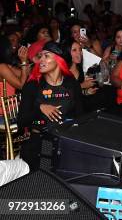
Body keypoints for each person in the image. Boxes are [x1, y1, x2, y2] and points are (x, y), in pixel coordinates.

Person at [17, 42, 83, 170]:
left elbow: (81, 115)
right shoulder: (33, 85)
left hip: (66, 140)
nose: (40, 60)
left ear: (59, 60)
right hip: (42, 140)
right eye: (40, 56)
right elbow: (21, 120)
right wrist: (40, 108)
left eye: (46, 56)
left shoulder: (71, 84)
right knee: (48, 170)